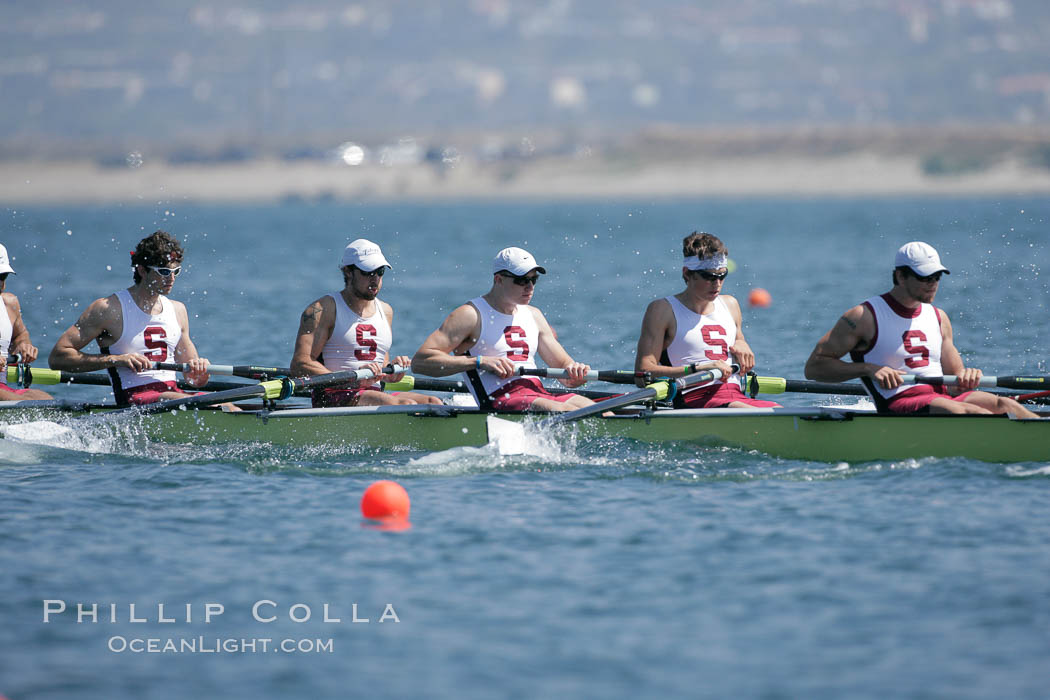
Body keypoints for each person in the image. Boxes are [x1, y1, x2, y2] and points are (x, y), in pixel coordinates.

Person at [804, 241, 1038, 417]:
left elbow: (955, 383)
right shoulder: (863, 317)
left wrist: (968, 376)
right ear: (900, 276)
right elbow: (814, 368)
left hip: (942, 397)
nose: (933, 284)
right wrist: (868, 369)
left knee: (1006, 405)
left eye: (937, 276)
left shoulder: (939, 318)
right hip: (899, 402)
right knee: (963, 411)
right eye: (925, 277)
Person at [411, 246, 594, 412]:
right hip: (501, 400)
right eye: (521, 280)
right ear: (499, 279)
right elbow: (420, 362)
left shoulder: (534, 315)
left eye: (534, 280)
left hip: (538, 393)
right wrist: (479, 362)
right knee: (565, 410)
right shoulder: (471, 315)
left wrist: (576, 373)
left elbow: (565, 374)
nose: (529, 287)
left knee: (598, 410)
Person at [49, 231, 219, 407]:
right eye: (164, 272)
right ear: (142, 270)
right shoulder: (108, 309)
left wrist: (200, 369)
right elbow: (57, 358)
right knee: (206, 404)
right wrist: (116, 360)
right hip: (135, 401)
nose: (172, 278)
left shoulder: (178, 310)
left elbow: (194, 380)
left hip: (174, 397)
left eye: (176, 271)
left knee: (229, 406)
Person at [634, 232, 780, 408]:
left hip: (736, 396)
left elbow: (737, 340)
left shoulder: (731, 305)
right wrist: (697, 368)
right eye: (709, 277)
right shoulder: (662, 310)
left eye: (722, 275)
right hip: (695, 399)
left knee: (777, 409)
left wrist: (741, 342)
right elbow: (643, 373)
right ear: (687, 273)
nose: (717, 283)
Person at [290, 239, 441, 408]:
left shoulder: (386, 311)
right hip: (333, 396)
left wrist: (392, 372)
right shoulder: (323, 309)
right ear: (348, 271)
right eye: (368, 272)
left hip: (373, 394)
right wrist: (352, 380)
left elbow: (380, 367)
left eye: (380, 271)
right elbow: (300, 365)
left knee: (433, 402)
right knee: (407, 404)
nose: (375, 278)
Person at [0, 243, 52, 400]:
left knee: (45, 399)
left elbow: (20, 335)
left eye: (2, 277)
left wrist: (23, 345)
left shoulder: (9, 304)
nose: (0, 284)